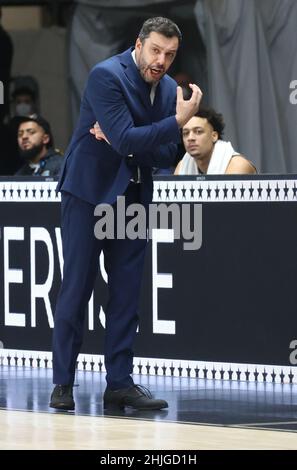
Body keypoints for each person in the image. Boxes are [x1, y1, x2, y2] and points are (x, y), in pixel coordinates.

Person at [50, 16, 202, 412]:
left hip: (133, 195)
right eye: (155, 50)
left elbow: (166, 153)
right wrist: (173, 125)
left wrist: (131, 141)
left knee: (126, 293)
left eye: (169, 54)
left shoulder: (169, 88)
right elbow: (132, 138)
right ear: (138, 44)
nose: (161, 60)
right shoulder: (106, 76)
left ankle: (119, 383)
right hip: (89, 192)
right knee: (78, 286)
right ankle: (62, 382)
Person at [175, 108, 256, 175]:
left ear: (214, 136)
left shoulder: (237, 166)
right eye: (185, 133)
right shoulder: (181, 167)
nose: (190, 138)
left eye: (198, 132)